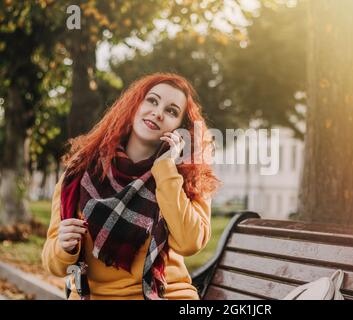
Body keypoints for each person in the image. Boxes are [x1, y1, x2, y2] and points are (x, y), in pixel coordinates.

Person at [41, 73, 221, 300]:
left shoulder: (188, 178)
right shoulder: (79, 173)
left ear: (180, 128)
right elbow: (53, 264)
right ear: (135, 104)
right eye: (152, 100)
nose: (158, 113)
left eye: (171, 111)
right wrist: (63, 247)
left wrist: (166, 169)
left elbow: (189, 243)